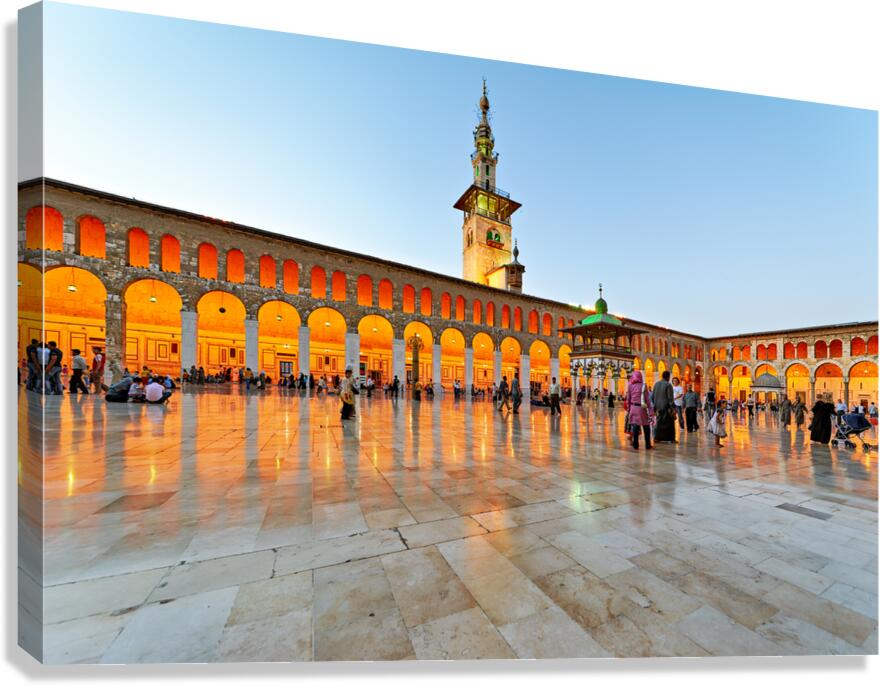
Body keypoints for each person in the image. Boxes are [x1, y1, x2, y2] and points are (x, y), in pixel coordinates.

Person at [625, 370, 654, 450]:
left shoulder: (630, 385)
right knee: (646, 426)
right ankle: (647, 445)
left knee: (635, 426)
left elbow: (628, 399)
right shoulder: (644, 386)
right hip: (641, 408)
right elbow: (647, 400)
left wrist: (628, 409)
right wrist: (651, 411)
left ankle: (635, 445)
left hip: (633, 408)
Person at [651, 370, 676, 443]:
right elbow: (670, 398)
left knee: (659, 423)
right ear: (668, 377)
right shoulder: (668, 385)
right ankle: (671, 439)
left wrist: (655, 405)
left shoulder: (656, 384)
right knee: (670, 424)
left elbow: (652, 397)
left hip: (658, 407)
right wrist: (673, 408)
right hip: (666, 407)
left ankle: (657, 438)